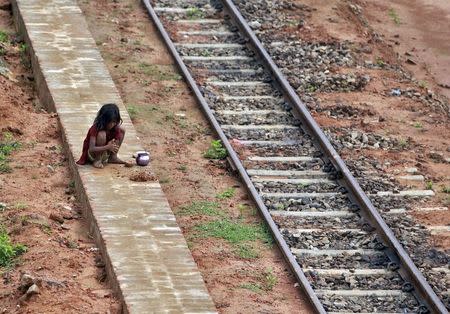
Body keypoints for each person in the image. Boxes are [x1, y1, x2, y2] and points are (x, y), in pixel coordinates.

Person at [76, 103, 128, 168]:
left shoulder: (115, 127)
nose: (112, 124)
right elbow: (92, 148)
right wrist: (107, 147)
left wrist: (112, 142)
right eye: (110, 122)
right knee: (102, 134)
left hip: (105, 152)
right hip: (92, 154)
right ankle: (97, 160)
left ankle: (113, 157)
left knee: (122, 129)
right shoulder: (95, 128)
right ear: (104, 120)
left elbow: (115, 139)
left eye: (114, 122)